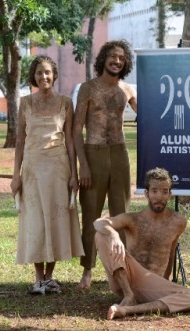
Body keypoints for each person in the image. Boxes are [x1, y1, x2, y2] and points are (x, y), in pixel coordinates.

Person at [10, 55, 84, 295]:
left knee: (55, 218)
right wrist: (15, 176)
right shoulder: (25, 103)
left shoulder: (65, 103)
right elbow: (20, 142)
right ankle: (37, 278)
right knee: (35, 221)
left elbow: (71, 141)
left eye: (48, 72)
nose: (44, 77)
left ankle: (50, 278)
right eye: (39, 73)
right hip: (31, 169)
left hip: (58, 168)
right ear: (34, 76)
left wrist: (75, 173)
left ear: (54, 75)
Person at [93, 167, 190, 320]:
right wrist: (114, 235)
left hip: (152, 283)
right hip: (125, 279)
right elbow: (98, 223)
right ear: (146, 193)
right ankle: (129, 296)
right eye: (155, 191)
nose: (159, 196)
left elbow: (170, 254)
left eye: (164, 192)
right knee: (102, 234)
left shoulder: (178, 222)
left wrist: (164, 282)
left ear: (170, 195)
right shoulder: (133, 219)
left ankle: (129, 310)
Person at [74, 40, 137, 289]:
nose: (117, 61)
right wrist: (83, 166)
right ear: (103, 60)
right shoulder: (88, 88)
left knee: (122, 214)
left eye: (121, 57)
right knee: (90, 213)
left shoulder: (128, 89)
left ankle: (122, 269)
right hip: (94, 152)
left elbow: (149, 117)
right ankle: (87, 272)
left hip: (120, 153)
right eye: (112, 56)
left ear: (126, 62)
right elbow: (77, 130)